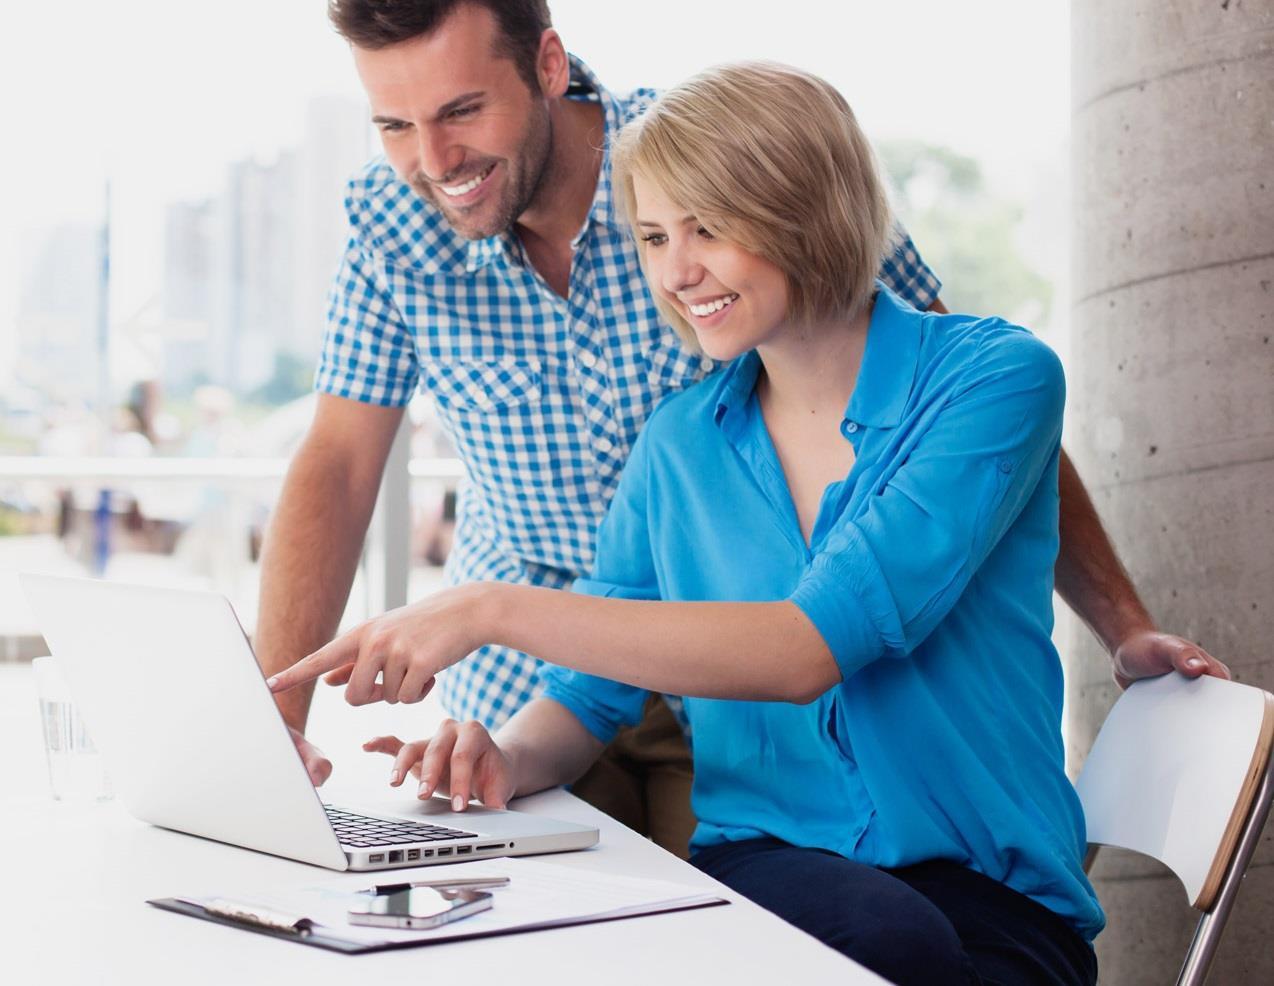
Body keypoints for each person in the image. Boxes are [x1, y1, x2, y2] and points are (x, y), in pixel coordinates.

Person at [256, 0, 1229, 859]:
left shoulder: (734, 156)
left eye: (462, 111)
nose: (433, 162)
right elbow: (338, 466)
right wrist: (276, 727)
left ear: (547, 65)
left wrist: (1122, 623)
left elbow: (966, 427)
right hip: (544, 690)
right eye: (394, 125)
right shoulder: (397, 223)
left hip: (749, 690)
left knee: (757, 909)